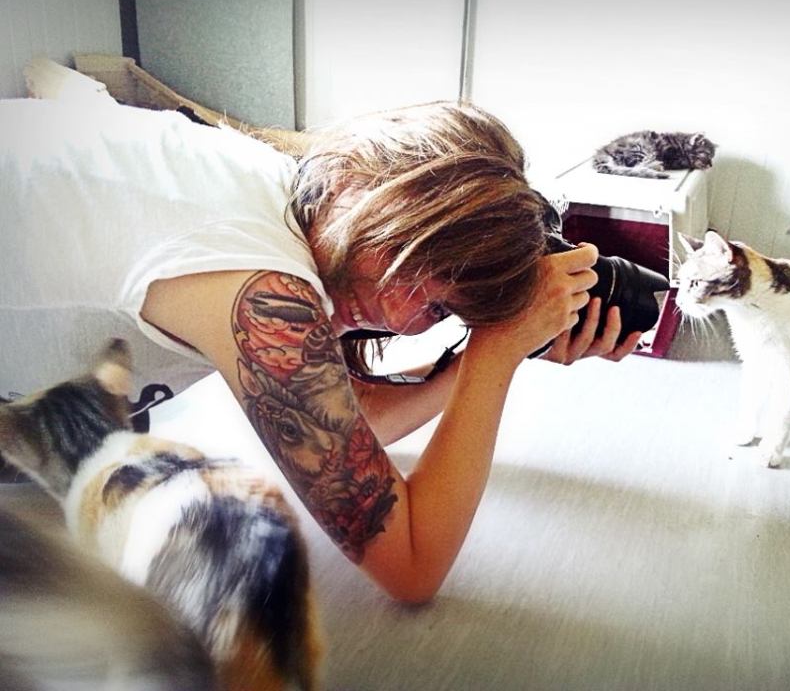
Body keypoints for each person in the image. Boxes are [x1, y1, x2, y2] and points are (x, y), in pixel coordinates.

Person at [0, 97, 640, 602]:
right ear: (372, 184)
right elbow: (412, 565)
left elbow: (357, 426)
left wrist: (496, 349)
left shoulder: (294, 196)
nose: (401, 317)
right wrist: (498, 349)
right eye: (404, 257)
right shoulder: (263, 282)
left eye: (440, 311)